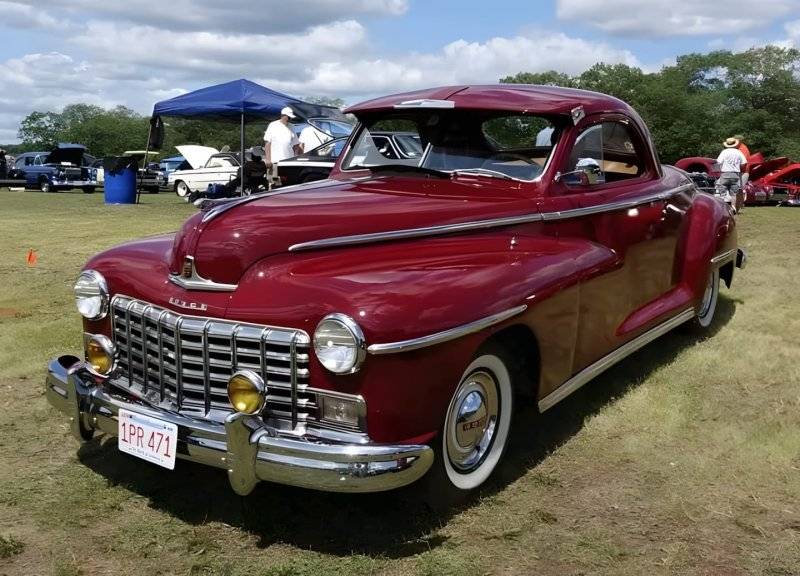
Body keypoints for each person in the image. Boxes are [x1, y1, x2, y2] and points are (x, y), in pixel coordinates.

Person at [186, 149, 268, 205]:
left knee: (225, 189)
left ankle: (200, 195)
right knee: (226, 187)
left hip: (243, 182)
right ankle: (201, 194)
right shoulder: (263, 165)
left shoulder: (248, 165)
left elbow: (240, 175)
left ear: (253, 156)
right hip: (254, 183)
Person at [264, 107, 301, 185]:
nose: (290, 118)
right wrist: (268, 159)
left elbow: (296, 144)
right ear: (283, 115)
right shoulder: (273, 125)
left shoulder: (292, 126)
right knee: (274, 183)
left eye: (290, 117)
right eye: (288, 117)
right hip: (275, 161)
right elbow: (268, 143)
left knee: (288, 183)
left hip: (288, 162)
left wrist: (296, 156)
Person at [715, 137, 747, 214]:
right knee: (734, 193)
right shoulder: (739, 152)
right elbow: (744, 162)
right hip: (735, 174)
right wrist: (738, 167)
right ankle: (733, 206)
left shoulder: (724, 152)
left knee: (723, 192)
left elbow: (718, 162)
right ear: (735, 144)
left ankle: (723, 208)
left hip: (725, 173)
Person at [733, 134, 751, 212]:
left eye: (735, 140)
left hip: (742, 172)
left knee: (737, 190)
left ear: (739, 141)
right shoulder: (738, 148)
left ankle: (737, 207)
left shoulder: (743, 149)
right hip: (741, 171)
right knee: (739, 190)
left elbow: (742, 162)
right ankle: (739, 207)